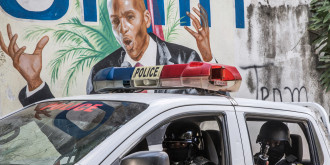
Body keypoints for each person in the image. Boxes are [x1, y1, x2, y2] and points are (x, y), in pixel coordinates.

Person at [0, 0, 216, 107]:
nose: (122, 28)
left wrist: (207, 58)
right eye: (115, 21)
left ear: (147, 19)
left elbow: (217, 106)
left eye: (130, 17)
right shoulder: (102, 71)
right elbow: (83, 132)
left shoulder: (185, 59)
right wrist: (35, 83)